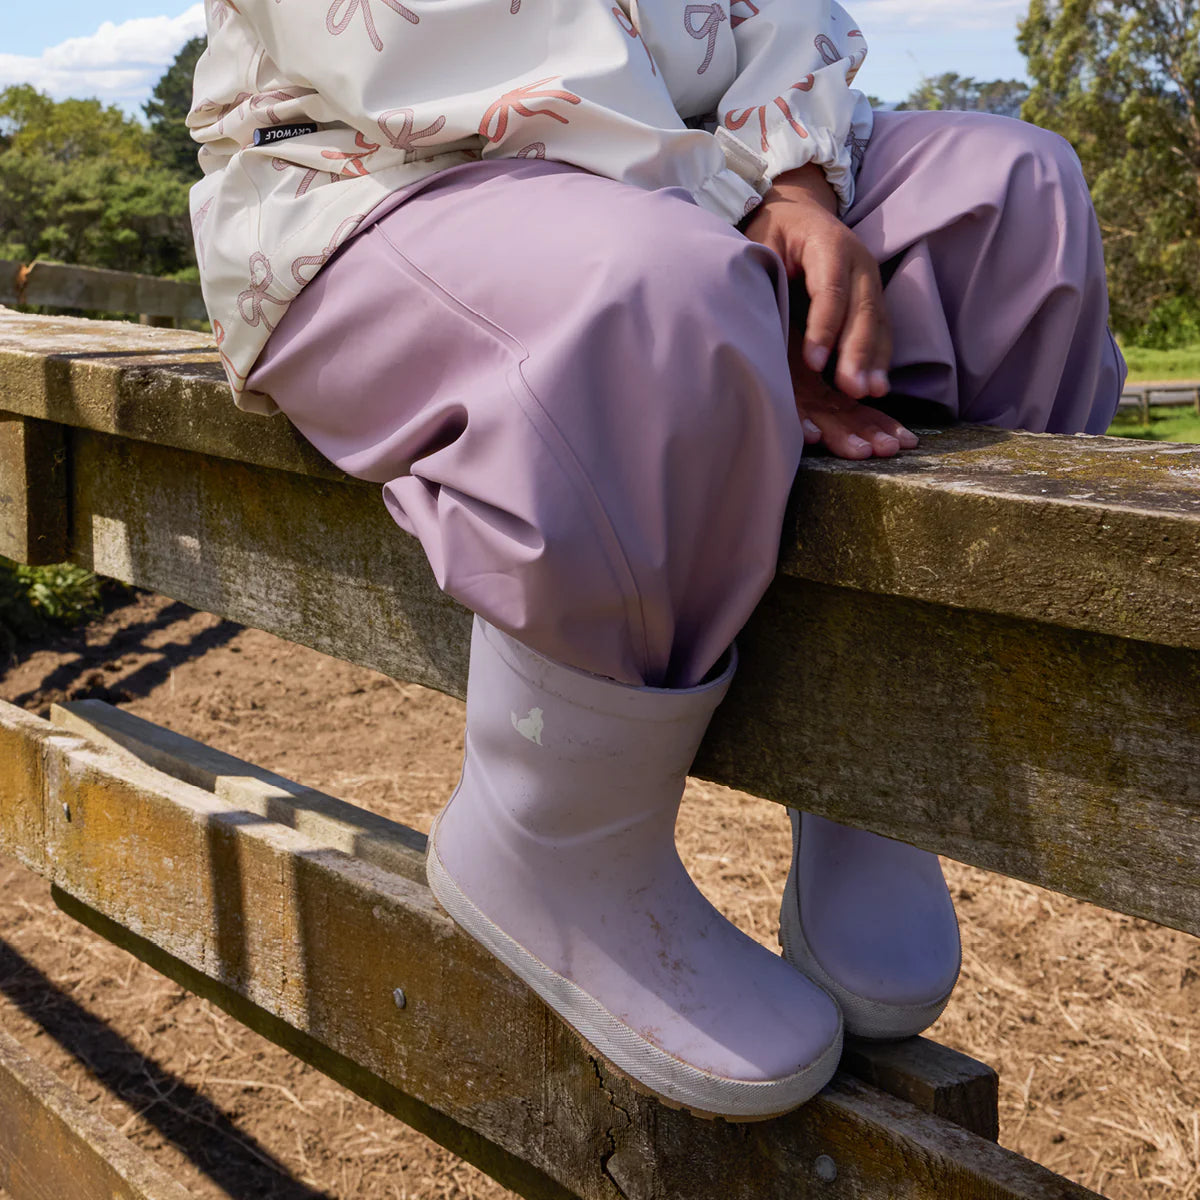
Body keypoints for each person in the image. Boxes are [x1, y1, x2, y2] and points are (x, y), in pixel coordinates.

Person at [187, 0, 1126, 1119]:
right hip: (386, 171)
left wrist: (794, 186)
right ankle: (555, 835)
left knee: (1014, 194)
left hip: (711, 154)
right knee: (655, 296)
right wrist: (741, 240)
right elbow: (420, 44)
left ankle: (877, 761)